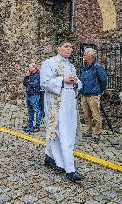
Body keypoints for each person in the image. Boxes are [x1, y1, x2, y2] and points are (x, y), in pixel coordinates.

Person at [40, 40, 84, 182]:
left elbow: (79, 83)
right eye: (66, 46)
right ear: (58, 48)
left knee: (65, 131)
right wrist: (62, 80)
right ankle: (69, 168)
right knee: (63, 132)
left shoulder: (71, 66)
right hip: (56, 102)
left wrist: (75, 82)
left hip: (70, 102)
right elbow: (44, 82)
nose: (69, 49)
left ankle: (50, 156)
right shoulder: (49, 63)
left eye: (71, 47)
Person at [79, 48, 107, 143]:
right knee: (86, 115)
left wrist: (99, 90)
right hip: (84, 94)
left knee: (96, 115)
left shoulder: (97, 66)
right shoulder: (84, 67)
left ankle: (97, 134)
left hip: (93, 94)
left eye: (85, 54)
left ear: (90, 56)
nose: (83, 56)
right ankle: (88, 131)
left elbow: (103, 80)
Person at [23, 63, 41, 132]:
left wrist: (28, 82)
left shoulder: (38, 75)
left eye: (29, 67)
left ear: (34, 68)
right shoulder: (30, 75)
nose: (28, 69)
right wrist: (27, 77)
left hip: (35, 95)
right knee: (30, 111)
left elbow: (35, 85)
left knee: (37, 111)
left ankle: (37, 126)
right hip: (29, 95)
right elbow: (24, 83)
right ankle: (30, 125)